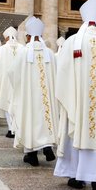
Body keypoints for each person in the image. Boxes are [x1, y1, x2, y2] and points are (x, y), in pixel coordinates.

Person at [54, 0, 96, 190]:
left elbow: (61, 72)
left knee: (81, 133)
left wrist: (70, 95)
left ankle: (79, 176)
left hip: (79, 104)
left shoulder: (73, 42)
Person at [8, 17, 58, 166]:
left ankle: (32, 155)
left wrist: (20, 88)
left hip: (29, 97)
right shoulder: (50, 53)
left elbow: (12, 73)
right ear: (40, 35)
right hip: (46, 97)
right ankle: (47, 146)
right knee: (45, 118)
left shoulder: (23, 53)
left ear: (28, 36)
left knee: (30, 119)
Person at [0, 27, 22, 134]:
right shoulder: (23, 48)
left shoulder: (2, 49)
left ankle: (11, 129)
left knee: (7, 103)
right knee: (18, 105)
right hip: (20, 82)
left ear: (7, 37)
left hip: (5, 82)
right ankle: (17, 129)